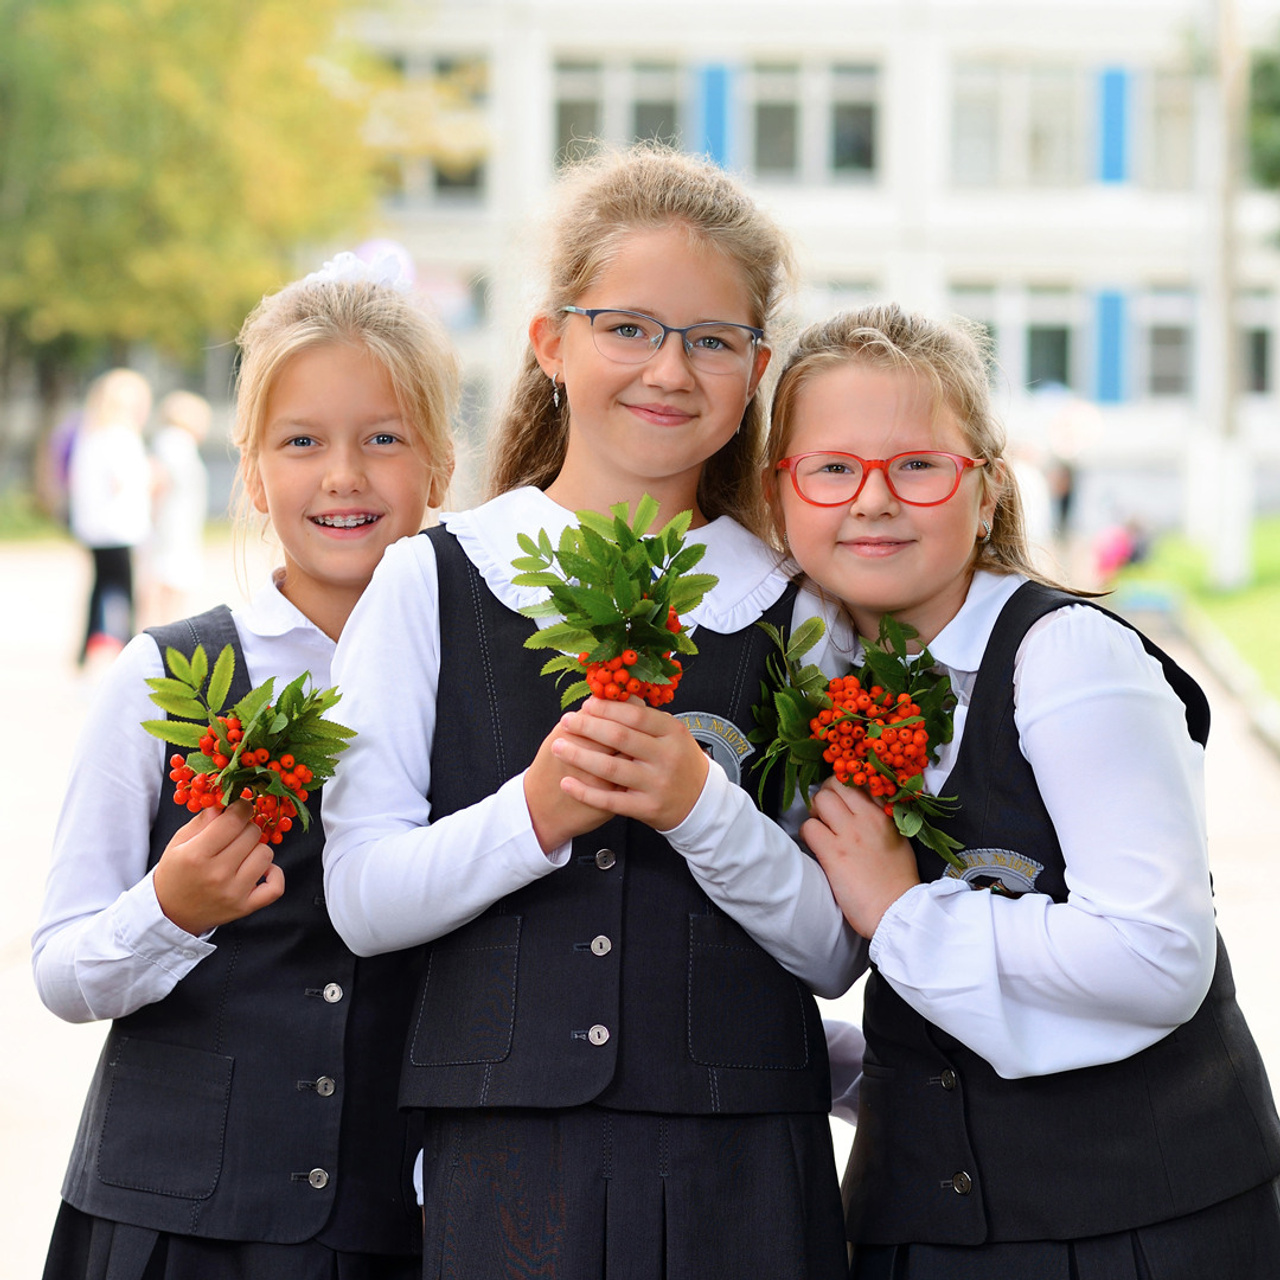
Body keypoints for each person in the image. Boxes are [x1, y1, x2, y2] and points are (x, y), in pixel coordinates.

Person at [321, 144, 861, 1280]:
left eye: (712, 340)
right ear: (549, 342)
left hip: (745, 1161)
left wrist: (699, 805)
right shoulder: (432, 577)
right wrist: (534, 811)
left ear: (754, 368)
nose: (668, 368)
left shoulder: (799, 607)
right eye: (628, 326)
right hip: (505, 1164)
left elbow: (830, 948)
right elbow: (362, 900)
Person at [763, 304, 1280, 1278]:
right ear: (778, 494)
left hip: (1143, 1228)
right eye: (830, 468)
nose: (871, 498)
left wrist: (902, 908)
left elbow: (1156, 952)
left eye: (916, 465)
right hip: (922, 1227)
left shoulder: (1063, 659)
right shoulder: (813, 678)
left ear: (988, 490)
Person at [32, 251, 459, 1280]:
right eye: (301, 440)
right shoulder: (164, 672)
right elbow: (61, 966)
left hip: (386, 1223)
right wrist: (169, 905)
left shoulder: (482, 680)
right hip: (172, 1223)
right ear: (254, 470)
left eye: (383, 439)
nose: (343, 474)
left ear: (440, 464)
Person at [67, 367, 155, 666]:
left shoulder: (90, 435)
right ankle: (131, 648)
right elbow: (121, 481)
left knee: (99, 587)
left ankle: (84, 649)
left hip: (93, 527)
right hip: (119, 528)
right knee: (124, 590)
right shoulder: (120, 436)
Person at [144, 389, 213, 626]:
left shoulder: (174, 441)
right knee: (170, 576)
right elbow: (156, 479)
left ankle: (168, 625)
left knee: (171, 575)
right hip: (172, 521)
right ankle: (167, 628)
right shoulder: (174, 442)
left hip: (179, 519)